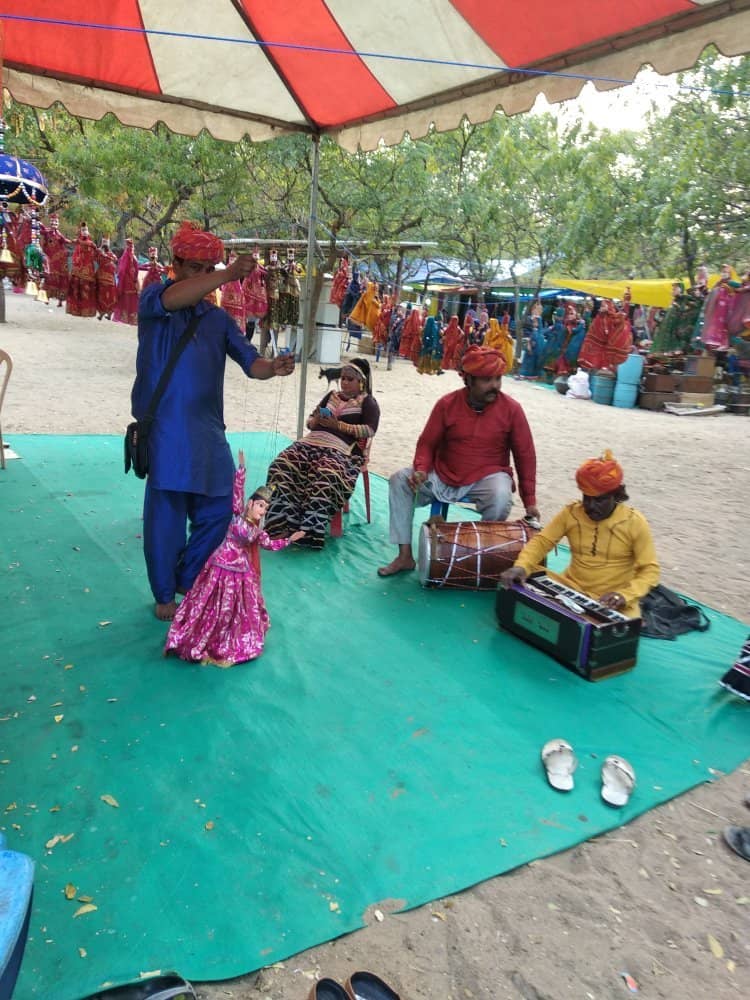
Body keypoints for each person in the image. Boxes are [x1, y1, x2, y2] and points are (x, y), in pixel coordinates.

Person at [131, 220, 295, 621]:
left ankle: (188, 578)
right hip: (166, 430)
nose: (203, 278)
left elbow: (251, 363)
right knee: (166, 517)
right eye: (195, 269)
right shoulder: (155, 299)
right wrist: (226, 273)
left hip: (207, 431)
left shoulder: (218, 319)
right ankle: (164, 593)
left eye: (209, 270)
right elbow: (177, 297)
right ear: (175, 264)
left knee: (222, 510)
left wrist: (272, 367)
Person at [378, 344, 539, 578]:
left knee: (501, 496)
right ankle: (405, 556)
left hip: (487, 476)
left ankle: (479, 557)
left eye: (498, 379)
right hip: (443, 473)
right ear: (468, 380)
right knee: (399, 480)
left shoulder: (512, 410)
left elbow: (525, 455)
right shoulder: (447, 404)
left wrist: (530, 501)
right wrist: (421, 469)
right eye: (487, 380)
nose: (495, 385)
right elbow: (427, 443)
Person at [164, 451, 304, 666]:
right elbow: (237, 491)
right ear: (251, 503)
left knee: (236, 607)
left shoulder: (257, 531)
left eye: (266, 508)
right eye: (260, 505)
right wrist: (242, 469)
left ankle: (231, 635)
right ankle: (205, 634)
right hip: (219, 565)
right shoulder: (238, 513)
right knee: (209, 600)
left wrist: (289, 540)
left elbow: (270, 544)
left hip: (240, 572)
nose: (263, 511)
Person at [500, 450, 659, 618]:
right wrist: (522, 566)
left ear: (616, 496)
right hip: (570, 586)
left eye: (599, 500)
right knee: (524, 574)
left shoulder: (634, 522)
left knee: (620, 625)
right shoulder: (572, 513)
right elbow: (542, 542)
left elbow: (650, 570)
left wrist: (625, 596)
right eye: (586, 498)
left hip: (610, 599)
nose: (590, 506)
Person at [264, 359, 379, 549]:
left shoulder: (368, 402)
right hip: (311, 442)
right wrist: (316, 419)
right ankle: (281, 525)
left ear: (361, 382)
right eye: (343, 378)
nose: (344, 382)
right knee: (281, 465)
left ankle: (308, 532)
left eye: (350, 379)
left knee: (326, 475)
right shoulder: (332, 396)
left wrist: (338, 425)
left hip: (342, 449)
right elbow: (309, 422)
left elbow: (370, 430)